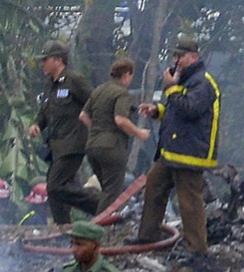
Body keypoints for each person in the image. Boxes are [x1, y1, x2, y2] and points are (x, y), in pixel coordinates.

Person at [136, 36, 221, 256]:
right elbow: (176, 112)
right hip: (172, 152)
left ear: (194, 57)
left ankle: (197, 249)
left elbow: (191, 110)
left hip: (190, 154)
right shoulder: (185, 80)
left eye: (180, 56)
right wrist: (157, 111)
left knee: (189, 202)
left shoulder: (203, 82)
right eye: (174, 55)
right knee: (154, 186)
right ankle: (147, 236)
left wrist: (171, 89)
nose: (176, 60)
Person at [29, 40, 98, 225]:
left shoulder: (74, 81)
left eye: (46, 59)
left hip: (72, 144)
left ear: (58, 60)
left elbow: (95, 101)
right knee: (56, 193)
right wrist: (37, 124)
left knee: (55, 186)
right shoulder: (50, 86)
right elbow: (45, 111)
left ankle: (100, 205)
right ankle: (63, 231)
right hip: (56, 147)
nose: (42, 63)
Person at [79, 58, 151, 213]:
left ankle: (97, 224)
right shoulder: (121, 93)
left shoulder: (99, 90)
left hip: (92, 147)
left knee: (107, 191)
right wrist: (140, 133)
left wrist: (98, 129)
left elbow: (83, 116)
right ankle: (99, 230)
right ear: (126, 75)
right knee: (112, 194)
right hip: (112, 148)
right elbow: (120, 120)